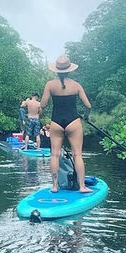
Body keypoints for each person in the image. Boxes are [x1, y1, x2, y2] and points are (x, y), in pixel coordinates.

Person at [40, 55, 92, 193]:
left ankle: (55, 186)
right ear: (69, 70)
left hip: (56, 122)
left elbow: (43, 105)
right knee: (78, 154)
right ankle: (82, 186)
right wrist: (86, 117)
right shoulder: (76, 85)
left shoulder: (50, 85)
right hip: (73, 121)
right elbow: (88, 105)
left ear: (56, 70)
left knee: (55, 155)